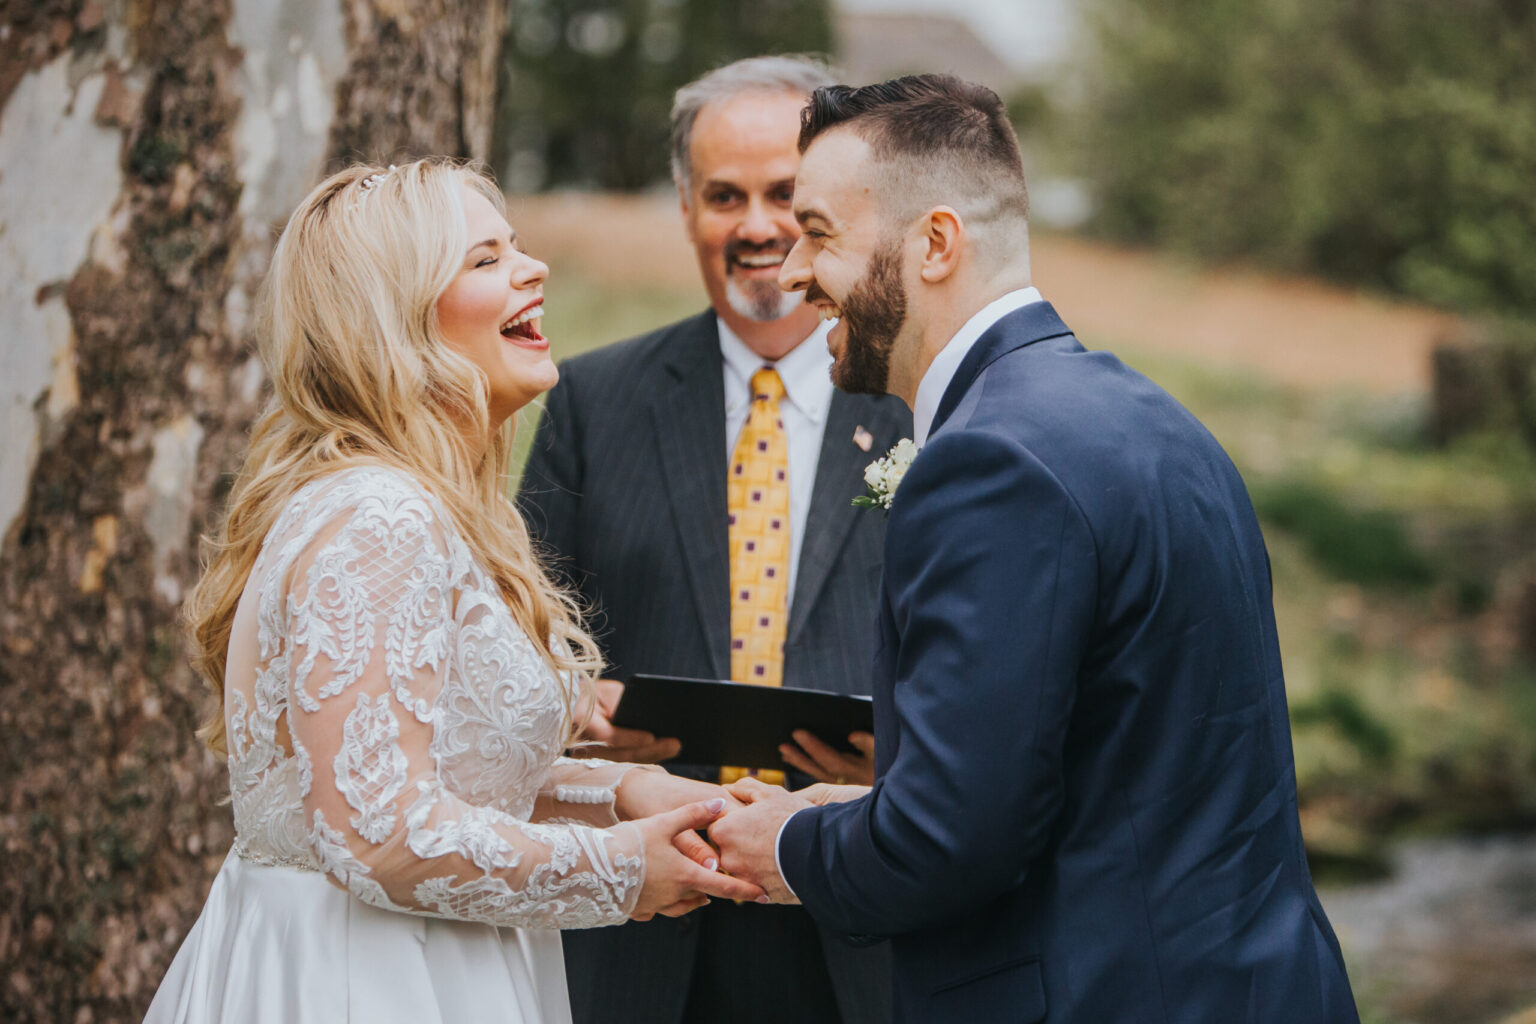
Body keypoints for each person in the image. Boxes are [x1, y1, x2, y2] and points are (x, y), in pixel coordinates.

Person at [709, 75, 1362, 1022]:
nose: (793, 270)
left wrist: (785, 850)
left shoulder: (987, 461)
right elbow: (1118, 761)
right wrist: (868, 806)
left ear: (934, 244)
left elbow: (948, 841)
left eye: (819, 231)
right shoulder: (1153, 415)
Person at [144, 158, 764, 1024]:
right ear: (393, 320)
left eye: (515, 246)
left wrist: (617, 794)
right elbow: (380, 833)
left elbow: (442, 769)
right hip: (366, 979)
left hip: (430, 956)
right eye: (483, 259)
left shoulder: (414, 506)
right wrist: (618, 870)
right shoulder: (379, 517)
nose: (534, 268)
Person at [516, 57, 905, 1024]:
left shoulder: (920, 414)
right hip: (649, 928)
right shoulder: (592, 403)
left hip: (862, 920)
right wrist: (577, 715)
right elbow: (513, 644)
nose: (758, 226)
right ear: (688, 209)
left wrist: (901, 760)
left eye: (784, 194)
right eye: (724, 196)